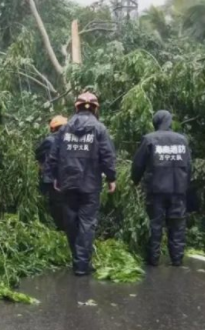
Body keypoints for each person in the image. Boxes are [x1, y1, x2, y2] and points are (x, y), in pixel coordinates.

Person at [45, 93, 117, 276]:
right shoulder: (99, 129)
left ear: (76, 107)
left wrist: (54, 177)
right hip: (90, 185)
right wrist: (111, 178)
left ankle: (78, 259)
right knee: (87, 223)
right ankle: (82, 264)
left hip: (68, 184)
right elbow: (107, 156)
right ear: (95, 109)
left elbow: (53, 157)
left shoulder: (64, 129)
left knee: (71, 222)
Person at [131, 110, 192, 267]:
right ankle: (177, 259)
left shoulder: (149, 139)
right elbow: (189, 165)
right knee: (177, 225)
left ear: (156, 122)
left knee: (155, 224)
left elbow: (138, 164)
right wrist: (185, 184)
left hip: (156, 190)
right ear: (170, 122)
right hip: (178, 190)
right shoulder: (182, 140)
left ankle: (153, 259)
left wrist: (134, 180)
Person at [36, 115, 68, 231]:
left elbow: (37, 154)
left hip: (51, 179)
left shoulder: (49, 140)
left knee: (55, 205)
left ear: (53, 128)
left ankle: (59, 229)